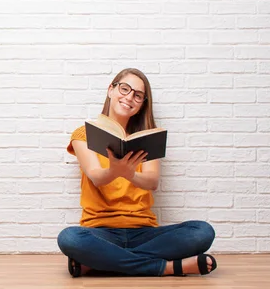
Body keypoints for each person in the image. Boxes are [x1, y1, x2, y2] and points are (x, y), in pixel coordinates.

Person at [57, 68, 217, 277]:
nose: (129, 97)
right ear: (111, 90)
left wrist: (129, 173)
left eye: (138, 95)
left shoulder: (149, 139)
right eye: (125, 89)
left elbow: (151, 182)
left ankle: (100, 263)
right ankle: (167, 267)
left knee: (202, 232)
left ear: (142, 103)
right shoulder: (83, 134)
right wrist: (116, 170)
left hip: (144, 231)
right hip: (100, 231)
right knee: (70, 238)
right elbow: (96, 176)